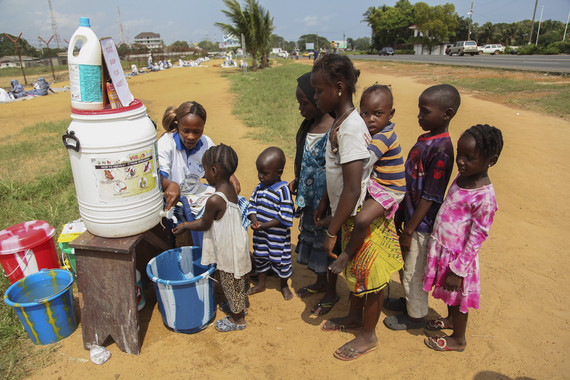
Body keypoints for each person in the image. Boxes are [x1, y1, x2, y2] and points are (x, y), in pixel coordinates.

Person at [312, 53, 402, 361]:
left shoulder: (351, 127)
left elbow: (353, 186)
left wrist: (331, 232)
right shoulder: (344, 122)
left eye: (318, 90)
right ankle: (354, 319)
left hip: (361, 214)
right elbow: (336, 170)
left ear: (338, 88)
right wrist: (326, 199)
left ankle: (368, 335)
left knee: (372, 279)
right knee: (357, 274)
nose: (315, 96)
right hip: (349, 213)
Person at [383, 84, 460, 331]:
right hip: (412, 218)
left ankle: (415, 316)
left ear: (446, 114)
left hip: (422, 225)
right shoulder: (427, 139)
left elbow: (430, 196)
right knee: (407, 263)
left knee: (414, 270)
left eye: (425, 112)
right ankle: (408, 302)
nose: (419, 116)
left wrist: (409, 230)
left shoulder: (442, 150)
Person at [423, 124, 503, 351]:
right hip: (445, 249)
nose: (461, 161)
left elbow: (478, 237)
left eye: (470, 157)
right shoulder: (463, 177)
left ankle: (459, 339)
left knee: (459, 301)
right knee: (451, 297)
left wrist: (459, 270)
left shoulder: (485, 197)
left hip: (460, 259)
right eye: (460, 154)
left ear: (491, 160)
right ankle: (449, 321)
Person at [172, 144, 251, 332]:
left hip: (228, 248)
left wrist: (184, 226)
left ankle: (237, 319)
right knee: (238, 280)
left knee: (229, 282)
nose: (203, 174)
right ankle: (239, 307)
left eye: (205, 170)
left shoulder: (215, 199)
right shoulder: (230, 189)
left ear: (214, 171)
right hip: (237, 243)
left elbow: (204, 224)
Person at [332, 84, 405, 273]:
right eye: (365, 114)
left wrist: (340, 147)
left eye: (378, 113)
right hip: (377, 183)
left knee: (362, 219)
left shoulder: (384, 136)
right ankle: (333, 221)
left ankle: (346, 254)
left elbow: (363, 163)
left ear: (391, 113)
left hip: (390, 189)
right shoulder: (374, 133)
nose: (370, 119)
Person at [158, 101, 240, 245]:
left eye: (197, 131)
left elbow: (219, 164)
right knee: (210, 215)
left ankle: (231, 247)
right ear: (178, 126)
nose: (191, 137)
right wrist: (169, 184)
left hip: (196, 194)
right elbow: (158, 176)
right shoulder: (166, 144)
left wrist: (230, 176)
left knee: (236, 205)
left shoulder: (205, 142)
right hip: (174, 201)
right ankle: (207, 254)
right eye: (185, 130)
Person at [289, 72, 337, 305]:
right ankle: (320, 281)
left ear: (318, 99)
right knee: (312, 239)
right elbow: (304, 159)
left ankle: (332, 292)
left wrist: (326, 201)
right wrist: (298, 180)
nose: (300, 108)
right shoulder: (308, 126)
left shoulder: (334, 131)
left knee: (327, 246)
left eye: (304, 103)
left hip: (326, 203)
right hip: (309, 201)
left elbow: (336, 171)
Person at [248, 147, 295, 301]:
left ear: (278, 173)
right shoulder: (259, 188)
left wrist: (264, 225)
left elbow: (285, 216)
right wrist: (254, 220)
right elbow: (252, 205)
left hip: (277, 237)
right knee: (260, 257)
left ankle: (283, 285)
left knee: (281, 260)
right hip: (260, 235)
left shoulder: (283, 191)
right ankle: (261, 284)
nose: (260, 176)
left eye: (265, 173)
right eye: (259, 171)